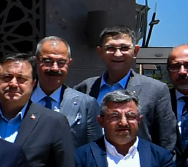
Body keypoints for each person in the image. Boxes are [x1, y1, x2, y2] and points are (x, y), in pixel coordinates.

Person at [74, 26, 179, 154]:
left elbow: (167, 141)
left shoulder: (156, 90)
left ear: (135, 51)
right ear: (100, 52)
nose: (117, 54)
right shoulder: (84, 89)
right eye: (110, 48)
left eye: (124, 48)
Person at [33, 36, 101, 145]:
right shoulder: (21, 101)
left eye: (61, 62)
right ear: (36, 61)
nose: (55, 68)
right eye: (48, 61)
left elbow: (94, 152)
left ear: (69, 63)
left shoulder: (86, 104)